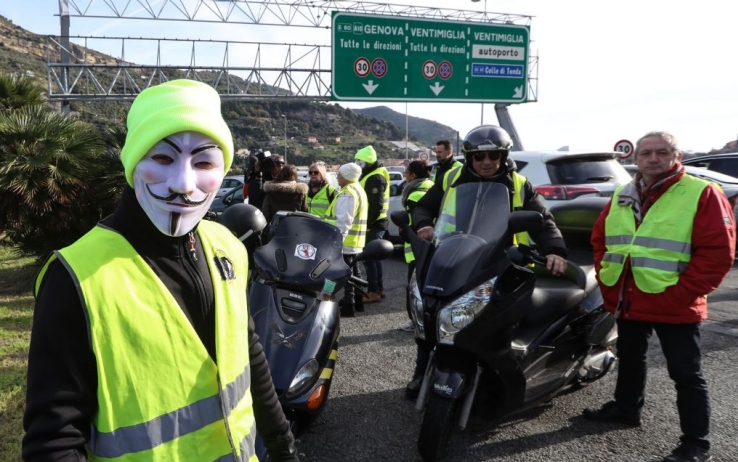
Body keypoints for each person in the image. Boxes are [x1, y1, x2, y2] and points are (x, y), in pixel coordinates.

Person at [22, 80, 299, 462]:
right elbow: (53, 439)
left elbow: (247, 351)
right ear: (133, 161)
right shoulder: (75, 277)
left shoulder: (229, 247)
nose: (184, 185)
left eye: (203, 162)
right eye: (163, 159)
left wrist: (283, 446)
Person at [582, 131, 735, 462]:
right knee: (630, 358)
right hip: (629, 296)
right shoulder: (625, 192)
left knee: (686, 374)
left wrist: (683, 293)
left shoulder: (701, 192)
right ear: (635, 159)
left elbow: (718, 252)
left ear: (675, 156)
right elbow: (601, 239)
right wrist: (610, 283)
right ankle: (626, 409)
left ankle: (697, 443)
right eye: (646, 153)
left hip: (674, 300)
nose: (653, 159)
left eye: (662, 152)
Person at [405, 124, 569, 399]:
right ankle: (421, 372)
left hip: (503, 261)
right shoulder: (452, 178)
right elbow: (424, 205)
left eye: (493, 156)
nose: (486, 162)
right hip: (458, 257)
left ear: (503, 156)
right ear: (469, 157)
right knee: (430, 314)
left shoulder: (519, 184)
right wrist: (423, 223)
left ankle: (498, 376)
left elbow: (543, 222)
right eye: (479, 157)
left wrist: (555, 250)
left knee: (498, 322)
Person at [324, 163, 368, 318]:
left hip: (344, 242)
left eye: (340, 174)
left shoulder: (347, 193)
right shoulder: (358, 189)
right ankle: (358, 301)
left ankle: (345, 304)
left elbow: (344, 221)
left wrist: (337, 242)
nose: (337, 177)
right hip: (355, 241)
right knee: (354, 272)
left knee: (335, 273)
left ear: (348, 176)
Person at [398, 160, 434, 332]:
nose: (405, 177)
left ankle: (415, 321)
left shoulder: (414, 195)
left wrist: (405, 231)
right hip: (434, 245)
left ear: (413, 175)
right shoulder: (432, 187)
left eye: (406, 173)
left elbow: (413, 222)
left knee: (414, 288)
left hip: (417, 248)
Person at [355, 145, 389, 304]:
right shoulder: (372, 174)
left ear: (367, 161)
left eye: (360, 161)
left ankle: (373, 291)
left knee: (370, 258)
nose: (358, 163)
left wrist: (368, 223)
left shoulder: (375, 177)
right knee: (375, 258)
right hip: (376, 222)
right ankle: (379, 289)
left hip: (374, 223)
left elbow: (376, 205)